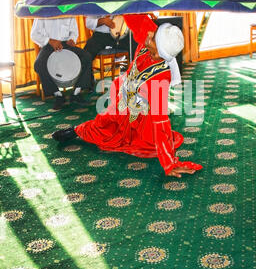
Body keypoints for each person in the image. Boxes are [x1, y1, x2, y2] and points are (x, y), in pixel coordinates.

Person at [52, 14, 203, 178]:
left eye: (160, 54)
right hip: (123, 93)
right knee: (105, 122)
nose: (149, 46)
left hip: (141, 114)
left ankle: (77, 131)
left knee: (139, 140)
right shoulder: (150, 33)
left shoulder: (160, 77)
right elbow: (132, 12)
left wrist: (169, 163)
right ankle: (77, 130)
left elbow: (160, 122)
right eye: (154, 45)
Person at [32, 17, 92, 109]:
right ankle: (58, 95)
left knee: (86, 57)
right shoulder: (43, 11)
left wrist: (72, 39)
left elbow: (74, 31)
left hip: (66, 44)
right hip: (49, 44)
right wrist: (50, 41)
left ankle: (76, 92)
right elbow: (34, 34)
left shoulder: (68, 9)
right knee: (39, 64)